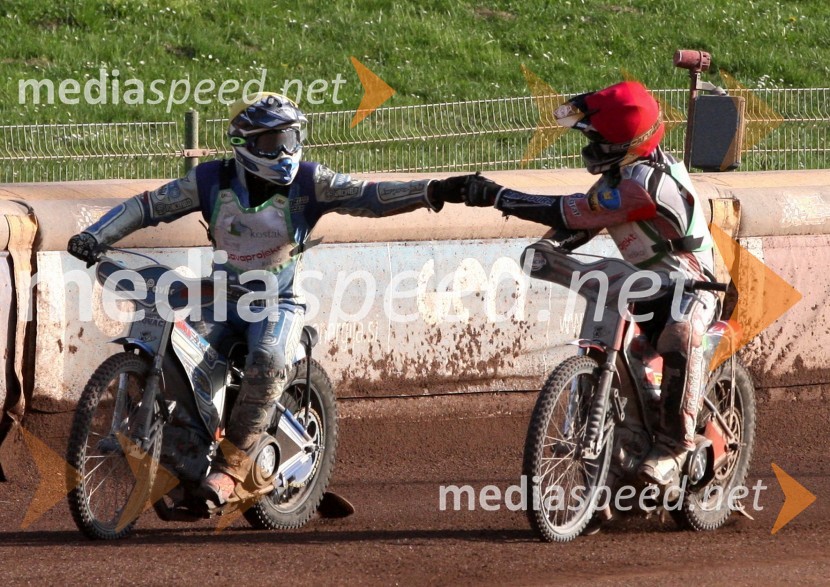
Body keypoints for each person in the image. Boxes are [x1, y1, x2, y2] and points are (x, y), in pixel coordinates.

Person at [67, 92, 466, 506]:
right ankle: (184, 454)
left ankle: (234, 468)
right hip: (218, 297)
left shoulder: (311, 182)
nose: (286, 151)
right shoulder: (209, 181)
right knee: (176, 355)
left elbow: (371, 196)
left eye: (292, 139)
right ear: (243, 143)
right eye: (274, 142)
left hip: (278, 303)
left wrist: (434, 190)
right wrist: (95, 236)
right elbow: (148, 206)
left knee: (269, 360)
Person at [450, 81, 718, 486]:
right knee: (610, 317)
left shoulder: (641, 185)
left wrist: (496, 196)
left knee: (679, 337)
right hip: (648, 284)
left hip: (692, 287)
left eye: (598, 138)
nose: (590, 147)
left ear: (626, 141)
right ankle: (611, 466)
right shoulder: (620, 176)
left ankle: (675, 447)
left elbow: (569, 211)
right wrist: (551, 248)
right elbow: (579, 225)